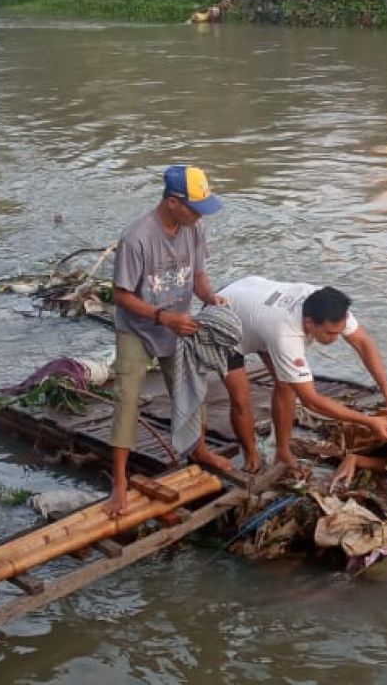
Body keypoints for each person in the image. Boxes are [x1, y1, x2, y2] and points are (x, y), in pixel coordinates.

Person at [105, 165, 229, 517]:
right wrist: (162, 317)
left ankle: (199, 449)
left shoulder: (194, 228)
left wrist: (211, 298)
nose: (199, 215)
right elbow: (122, 296)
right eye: (194, 207)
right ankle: (118, 481)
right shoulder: (136, 239)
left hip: (179, 324)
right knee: (127, 399)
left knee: (192, 389)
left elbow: (199, 276)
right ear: (173, 202)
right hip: (139, 327)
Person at [218, 276, 387, 475]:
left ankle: (282, 451)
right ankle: (251, 454)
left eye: (340, 332)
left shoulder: (329, 305)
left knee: (286, 385)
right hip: (223, 319)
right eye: (330, 333)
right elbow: (311, 401)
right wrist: (369, 421)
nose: (337, 338)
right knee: (241, 399)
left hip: (251, 299)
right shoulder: (286, 335)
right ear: (310, 323)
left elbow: (363, 343)